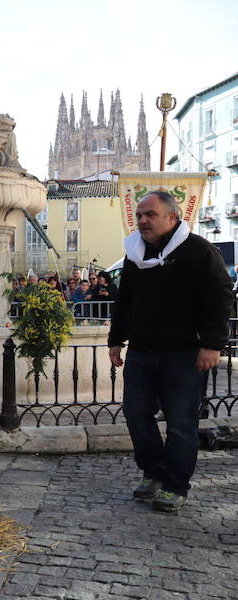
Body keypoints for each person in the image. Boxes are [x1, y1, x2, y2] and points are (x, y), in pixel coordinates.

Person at [109, 191, 232, 513]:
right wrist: (115, 339)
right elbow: (125, 301)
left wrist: (212, 344)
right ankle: (154, 473)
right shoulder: (134, 253)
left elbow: (219, 297)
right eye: (139, 215)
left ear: (172, 217)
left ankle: (176, 485)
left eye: (150, 214)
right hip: (142, 352)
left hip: (185, 354)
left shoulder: (199, 251)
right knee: (136, 415)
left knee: (180, 423)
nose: (142, 221)